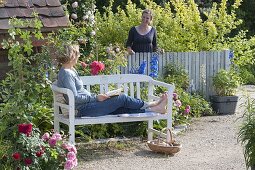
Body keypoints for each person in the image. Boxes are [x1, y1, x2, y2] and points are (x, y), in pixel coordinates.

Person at [56, 44, 167, 117]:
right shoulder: (66, 73)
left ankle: (155, 109)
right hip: (82, 109)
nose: (79, 56)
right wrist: (96, 97)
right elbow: (74, 98)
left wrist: (98, 97)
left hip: (88, 105)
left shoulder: (70, 70)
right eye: (77, 54)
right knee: (122, 98)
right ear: (72, 56)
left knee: (120, 109)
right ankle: (151, 104)